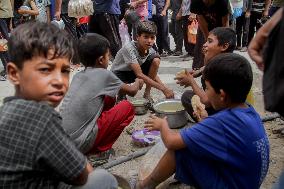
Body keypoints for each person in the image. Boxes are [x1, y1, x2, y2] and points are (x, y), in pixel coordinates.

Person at [0, 21, 117, 188]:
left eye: (65, 71)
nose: (59, 81)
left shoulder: (6, 111)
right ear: (14, 74)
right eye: (45, 70)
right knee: (104, 179)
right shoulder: (42, 117)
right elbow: (82, 175)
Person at [137, 53, 270, 189]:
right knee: (197, 144)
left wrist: (162, 125)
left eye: (207, 88)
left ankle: (145, 185)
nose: (205, 93)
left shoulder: (220, 122)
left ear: (222, 95)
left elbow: (171, 142)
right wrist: (205, 119)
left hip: (232, 184)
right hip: (247, 182)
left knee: (181, 150)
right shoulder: (249, 111)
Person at [60, 33, 144, 155]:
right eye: (108, 55)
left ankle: (97, 136)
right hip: (80, 144)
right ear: (101, 60)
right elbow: (132, 91)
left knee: (109, 97)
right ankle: (99, 151)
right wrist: (137, 81)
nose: (109, 58)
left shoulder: (78, 76)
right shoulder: (105, 75)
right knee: (127, 107)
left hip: (62, 141)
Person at [176, 27, 236, 121]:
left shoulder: (221, 69)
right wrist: (198, 71)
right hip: (226, 109)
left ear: (224, 46)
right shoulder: (227, 60)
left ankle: (208, 124)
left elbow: (207, 102)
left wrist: (191, 81)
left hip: (225, 114)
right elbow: (207, 67)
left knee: (187, 96)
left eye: (210, 41)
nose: (204, 44)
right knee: (190, 95)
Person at [111, 20, 174, 100]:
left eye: (152, 37)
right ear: (137, 37)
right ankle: (121, 94)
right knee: (124, 98)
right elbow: (139, 74)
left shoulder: (151, 51)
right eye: (146, 37)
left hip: (133, 72)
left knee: (156, 60)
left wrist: (165, 88)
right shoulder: (129, 49)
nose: (149, 41)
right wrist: (163, 89)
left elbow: (153, 73)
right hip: (119, 74)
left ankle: (147, 94)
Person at [190, 0, 230, 69]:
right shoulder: (196, 2)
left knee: (222, 48)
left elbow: (225, 23)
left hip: (221, 26)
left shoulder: (222, 2)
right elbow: (201, 21)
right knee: (203, 48)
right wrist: (207, 39)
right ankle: (201, 70)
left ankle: (222, 69)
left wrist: (223, 39)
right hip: (205, 26)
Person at [0, 0, 13, 81]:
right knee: (4, 40)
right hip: (6, 14)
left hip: (1, 15)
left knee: (2, 42)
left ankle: (7, 69)